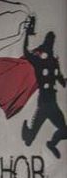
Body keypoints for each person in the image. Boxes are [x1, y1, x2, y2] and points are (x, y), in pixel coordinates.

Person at [22, 16, 67, 158]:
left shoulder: (54, 61)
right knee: (29, 140)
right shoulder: (39, 61)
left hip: (52, 103)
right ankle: (28, 133)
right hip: (44, 103)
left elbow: (62, 81)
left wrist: (62, 78)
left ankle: (51, 143)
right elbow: (26, 52)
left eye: (53, 41)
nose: (52, 43)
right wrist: (27, 35)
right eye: (50, 40)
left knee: (64, 131)